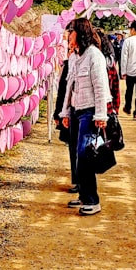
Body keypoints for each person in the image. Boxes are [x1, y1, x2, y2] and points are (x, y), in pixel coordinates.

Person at [58, 19, 110, 216]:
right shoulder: (74, 57)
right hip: (76, 111)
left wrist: (100, 115)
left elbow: (100, 87)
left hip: (90, 112)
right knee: (77, 154)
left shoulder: (94, 56)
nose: (67, 37)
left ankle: (92, 200)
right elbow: (69, 87)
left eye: (70, 33)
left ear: (78, 33)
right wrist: (65, 112)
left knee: (85, 154)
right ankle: (83, 194)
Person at [53, 22, 79, 194]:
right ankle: (79, 181)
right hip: (72, 110)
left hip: (81, 110)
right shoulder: (72, 60)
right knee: (75, 147)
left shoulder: (86, 59)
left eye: (71, 37)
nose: (69, 41)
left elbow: (64, 89)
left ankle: (81, 183)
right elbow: (64, 89)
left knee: (79, 148)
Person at [95, 27, 121, 115]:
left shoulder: (108, 64)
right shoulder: (109, 63)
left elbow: (115, 87)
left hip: (105, 107)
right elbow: (115, 88)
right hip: (100, 107)